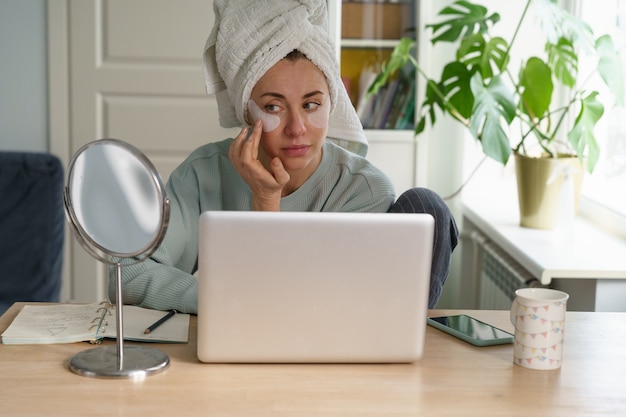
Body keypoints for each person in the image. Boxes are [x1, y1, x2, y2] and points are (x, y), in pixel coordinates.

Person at [112, 0, 458, 313]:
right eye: (273, 106)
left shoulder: (364, 189)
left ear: (332, 103)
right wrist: (224, 296)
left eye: (311, 105)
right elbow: (128, 277)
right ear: (247, 112)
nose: (297, 128)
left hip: (331, 359)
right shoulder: (202, 175)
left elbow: (311, 306)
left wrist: (267, 203)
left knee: (426, 204)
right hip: (236, 347)